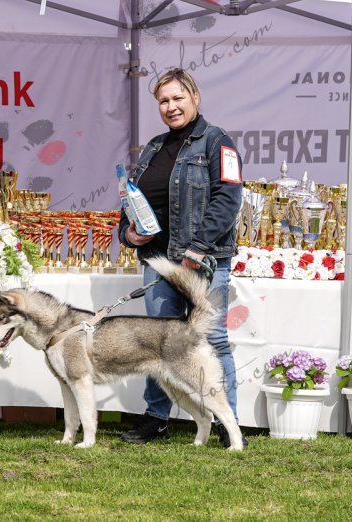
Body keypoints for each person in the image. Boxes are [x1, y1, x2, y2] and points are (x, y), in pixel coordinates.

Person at [117, 67, 244, 447]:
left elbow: (228, 200)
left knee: (214, 340)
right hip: (158, 262)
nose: (171, 107)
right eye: (163, 101)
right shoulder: (153, 147)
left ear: (195, 97)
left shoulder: (217, 141)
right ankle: (157, 420)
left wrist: (198, 247)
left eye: (178, 98)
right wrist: (128, 233)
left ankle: (228, 424)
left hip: (203, 261)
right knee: (159, 344)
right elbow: (132, 201)